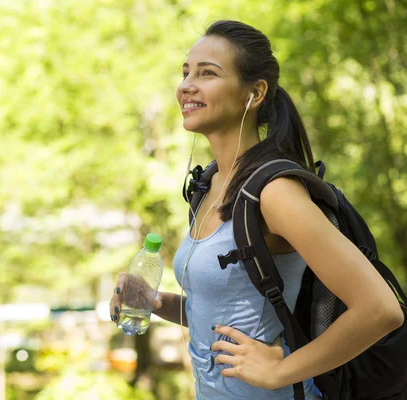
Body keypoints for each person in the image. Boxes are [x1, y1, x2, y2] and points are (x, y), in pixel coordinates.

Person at [109, 20, 404, 399]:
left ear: (255, 92)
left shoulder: (275, 193)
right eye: (185, 73)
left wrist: (280, 370)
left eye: (207, 73)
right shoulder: (208, 187)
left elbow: (381, 310)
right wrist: (156, 303)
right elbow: (228, 315)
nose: (186, 85)